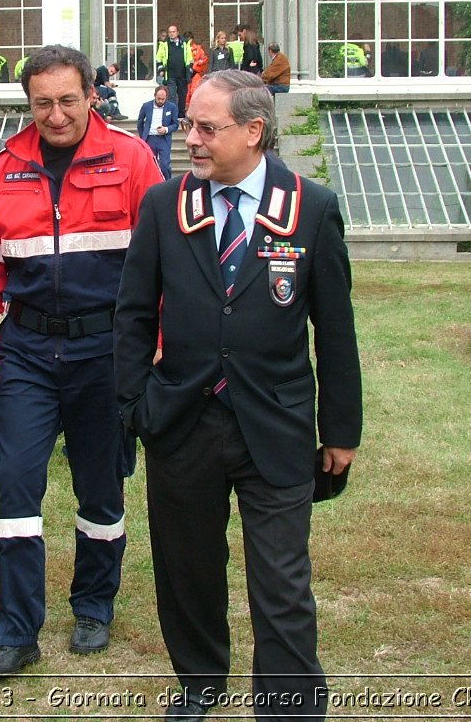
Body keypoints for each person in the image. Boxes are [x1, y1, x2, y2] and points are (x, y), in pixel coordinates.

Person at [113, 70, 363, 720]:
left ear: (254, 131)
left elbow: (334, 329)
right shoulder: (165, 207)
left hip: (274, 425)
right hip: (181, 423)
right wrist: (135, 405)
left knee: (281, 583)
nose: (189, 138)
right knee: (187, 570)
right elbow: (134, 313)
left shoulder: (312, 207)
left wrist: (341, 429)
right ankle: (200, 682)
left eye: (206, 127)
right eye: (190, 124)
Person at [0, 44, 162, 678]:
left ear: (91, 96)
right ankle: (16, 629)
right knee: (15, 486)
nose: (55, 115)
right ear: (28, 103)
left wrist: (153, 350)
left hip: (105, 351)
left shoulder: (132, 160)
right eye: (42, 103)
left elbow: (161, 268)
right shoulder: (5, 168)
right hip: (24, 350)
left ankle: (94, 605)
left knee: (100, 487)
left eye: (68, 100)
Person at [137, 84, 178, 179]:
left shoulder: (172, 107)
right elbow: (140, 123)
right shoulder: (146, 106)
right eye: (158, 98)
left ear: (166, 97)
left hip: (164, 139)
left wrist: (166, 129)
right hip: (150, 139)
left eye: (163, 99)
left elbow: (175, 124)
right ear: (154, 95)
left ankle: (167, 184)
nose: (160, 101)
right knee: (150, 165)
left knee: (164, 165)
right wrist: (143, 137)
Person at [157, 24, 194, 118]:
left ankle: (181, 115)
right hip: (170, 74)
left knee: (182, 96)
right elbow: (159, 58)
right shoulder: (164, 44)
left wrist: (189, 71)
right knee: (171, 95)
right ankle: (173, 115)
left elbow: (190, 58)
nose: (171, 34)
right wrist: (161, 69)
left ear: (177, 32)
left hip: (182, 74)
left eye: (173, 32)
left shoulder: (185, 44)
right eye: (170, 32)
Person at [186, 32, 209, 102]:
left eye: (190, 38)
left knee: (195, 91)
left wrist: (196, 65)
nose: (189, 40)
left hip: (196, 73)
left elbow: (204, 59)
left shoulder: (198, 49)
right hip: (185, 73)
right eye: (187, 39)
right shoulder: (183, 49)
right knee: (186, 93)